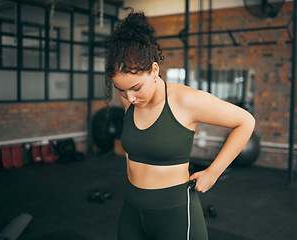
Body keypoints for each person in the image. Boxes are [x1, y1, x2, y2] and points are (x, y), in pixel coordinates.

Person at [105, 11, 255, 240]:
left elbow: (245, 121)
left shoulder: (185, 100)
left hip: (174, 213)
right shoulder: (130, 101)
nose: (130, 97)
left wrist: (213, 172)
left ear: (154, 70)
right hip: (132, 209)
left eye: (136, 88)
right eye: (121, 91)